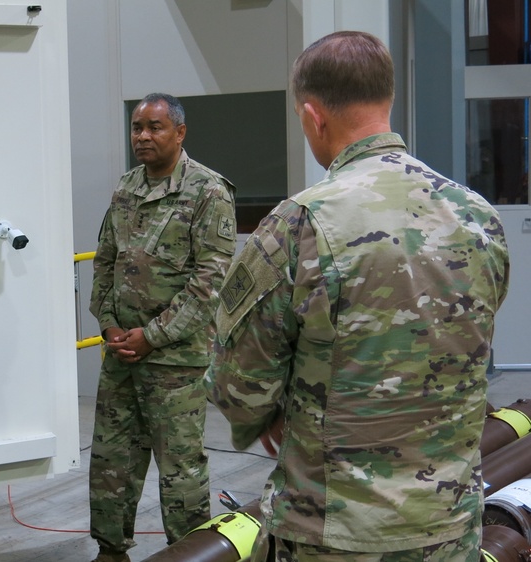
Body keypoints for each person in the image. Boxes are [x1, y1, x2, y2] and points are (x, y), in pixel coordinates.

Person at [205, 31, 510, 562]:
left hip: (334, 533)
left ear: (312, 116)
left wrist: (270, 414)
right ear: (385, 100)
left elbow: (240, 384)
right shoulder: (477, 214)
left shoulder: (300, 222)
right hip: (451, 525)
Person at [88, 92, 237, 562]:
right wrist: (109, 324)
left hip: (175, 362)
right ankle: (111, 551)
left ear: (180, 132)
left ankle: (190, 555)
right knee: (112, 460)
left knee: (181, 471)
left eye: (154, 127)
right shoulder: (126, 188)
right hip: (121, 357)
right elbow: (104, 262)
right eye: (137, 127)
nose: (143, 136)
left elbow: (207, 284)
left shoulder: (209, 192)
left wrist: (150, 337)